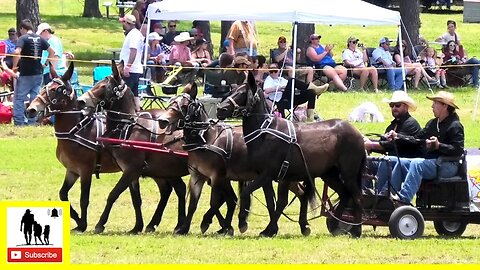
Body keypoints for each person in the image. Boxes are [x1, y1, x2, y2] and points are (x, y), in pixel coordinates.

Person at [383, 91, 464, 204]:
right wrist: (398, 137)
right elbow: (417, 139)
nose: (432, 106)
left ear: (445, 106)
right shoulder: (432, 123)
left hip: (447, 165)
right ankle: (387, 197)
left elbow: (458, 149)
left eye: (435, 103)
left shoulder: (455, 125)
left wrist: (438, 145)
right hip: (432, 162)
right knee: (400, 162)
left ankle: (403, 199)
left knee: (417, 164)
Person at [364, 91, 422, 192]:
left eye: (397, 105)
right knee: (364, 161)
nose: (394, 108)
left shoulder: (411, 124)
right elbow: (383, 142)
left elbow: (393, 145)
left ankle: (381, 195)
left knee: (386, 161)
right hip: (391, 161)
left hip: (405, 163)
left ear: (406, 107)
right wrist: (366, 141)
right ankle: (365, 191)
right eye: (392, 105)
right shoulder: (392, 125)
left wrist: (371, 145)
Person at [12, 19, 54, 126]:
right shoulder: (40, 38)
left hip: (26, 73)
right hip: (38, 73)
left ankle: (19, 121)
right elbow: (52, 52)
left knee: (19, 98)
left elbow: (17, 52)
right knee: (35, 98)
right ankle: (33, 121)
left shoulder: (23, 38)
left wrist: (14, 66)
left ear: (22, 29)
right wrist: (45, 64)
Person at [263, 62, 329, 122]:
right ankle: (315, 88)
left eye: (275, 70)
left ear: (279, 70)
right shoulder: (269, 79)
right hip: (281, 100)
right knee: (292, 81)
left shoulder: (281, 79)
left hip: (292, 97)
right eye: (271, 71)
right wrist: (279, 88)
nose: (273, 73)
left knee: (311, 92)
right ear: (269, 72)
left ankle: (310, 118)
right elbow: (266, 90)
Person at [119, 14, 144, 111]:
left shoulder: (133, 35)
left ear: (127, 23)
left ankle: (127, 113)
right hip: (135, 69)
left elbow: (133, 51)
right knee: (134, 93)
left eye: (123, 22)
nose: (122, 24)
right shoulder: (135, 34)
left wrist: (128, 66)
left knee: (125, 94)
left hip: (131, 70)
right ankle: (138, 112)